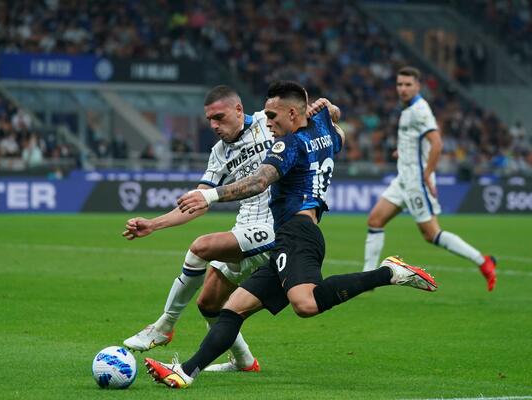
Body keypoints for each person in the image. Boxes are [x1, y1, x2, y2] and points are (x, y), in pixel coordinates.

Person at [144, 80, 438, 389]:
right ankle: (185, 372)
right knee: (233, 307)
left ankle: (388, 273)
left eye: (273, 116)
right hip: (292, 235)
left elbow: (258, 182)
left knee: (306, 304)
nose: (268, 122)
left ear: (293, 113)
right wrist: (329, 109)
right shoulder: (324, 132)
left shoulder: (288, 144)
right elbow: (337, 127)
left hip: (297, 233)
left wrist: (209, 195)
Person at [121, 85, 277, 372]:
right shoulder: (219, 153)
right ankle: (244, 362)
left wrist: (328, 111)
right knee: (209, 303)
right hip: (246, 226)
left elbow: (300, 113)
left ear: (239, 110)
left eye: (219, 117)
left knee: (200, 247)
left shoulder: (268, 122)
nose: (214, 125)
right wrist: (153, 224)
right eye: (209, 120)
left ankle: (164, 326)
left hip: (276, 225)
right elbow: (199, 201)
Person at [361, 66, 497, 291]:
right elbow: (417, 142)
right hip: (403, 179)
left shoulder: (420, 110)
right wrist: (402, 152)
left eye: (408, 85)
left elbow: (437, 143)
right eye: (399, 84)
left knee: (431, 234)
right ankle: (367, 279)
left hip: (416, 181)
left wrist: (426, 175)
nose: (403, 89)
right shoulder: (407, 109)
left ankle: (483, 261)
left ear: (418, 86)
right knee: (375, 221)